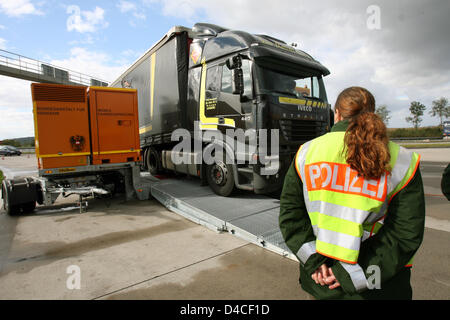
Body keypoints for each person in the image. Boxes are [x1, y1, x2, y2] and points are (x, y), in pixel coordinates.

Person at [279, 86, 425, 300]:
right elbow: (405, 233)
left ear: (336, 113)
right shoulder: (402, 160)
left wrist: (314, 263)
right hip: (378, 286)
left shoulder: (307, 152)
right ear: (373, 115)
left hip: (321, 283)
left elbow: (291, 216)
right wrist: (354, 274)